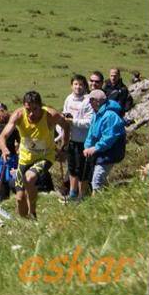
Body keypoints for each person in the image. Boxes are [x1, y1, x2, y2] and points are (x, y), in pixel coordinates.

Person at [0, 91, 70, 219]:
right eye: (28, 109)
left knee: (29, 178)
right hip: (25, 158)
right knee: (20, 199)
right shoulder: (18, 115)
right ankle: (26, 222)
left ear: (41, 106)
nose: (31, 113)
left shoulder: (50, 115)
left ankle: (33, 211)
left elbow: (66, 126)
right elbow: (2, 136)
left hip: (45, 155)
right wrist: (4, 149)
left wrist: (64, 147)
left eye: (35, 109)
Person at [83, 90, 127, 194]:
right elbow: (91, 133)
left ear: (98, 102)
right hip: (102, 150)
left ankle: (96, 203)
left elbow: (109, 138)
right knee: (98, 176)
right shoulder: (96, 114)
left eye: (91, 100)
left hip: (111, 151)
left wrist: (95, 148)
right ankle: (107, 196)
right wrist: (87, 147)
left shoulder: (110, 116)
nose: (89, 102)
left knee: (97, 179)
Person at [60, 74, 93, 202]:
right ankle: (73, 193)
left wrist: (73, 122)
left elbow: (89, 122)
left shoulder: (88, 100)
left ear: (85, 86)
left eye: (80, 84)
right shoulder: (68, 99)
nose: (78, 87)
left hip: (84, 141)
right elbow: (64, 114)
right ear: (71, 86)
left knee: (82, 170)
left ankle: (82, 195)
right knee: (72, 168)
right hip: (70, 139)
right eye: (75, 84)